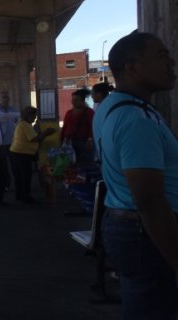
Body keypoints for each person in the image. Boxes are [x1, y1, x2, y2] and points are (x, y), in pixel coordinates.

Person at [93, 31, 178, 319]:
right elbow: (150, 201)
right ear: (132, 67)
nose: (172, 62)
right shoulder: (135, 119)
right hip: (146, 231)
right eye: (161, 55)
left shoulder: (109, 107)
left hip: (127, 224)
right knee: (155, 307)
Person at [9, 106, 56, 204]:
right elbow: (34, 139)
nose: (35, 118)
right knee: (25, 176)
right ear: (28, 115)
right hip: (22, 154)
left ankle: (20, 196)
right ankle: (26, 197)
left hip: (16, 153)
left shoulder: (22, 123)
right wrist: (46, 133)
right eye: (34, 116)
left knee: (19, 176)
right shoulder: (25, 125)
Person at [60, 88, 95, 165]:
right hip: (70, 142)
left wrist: (90, 140)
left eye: (76, 100)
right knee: (72, 164)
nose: (73, 102)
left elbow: (92, 127)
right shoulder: (69, 112)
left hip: (84, 142)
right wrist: (62, 139)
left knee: (86, 164)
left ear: (83, 101)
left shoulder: (89, 112)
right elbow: (65, 127)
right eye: (73, 99)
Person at [0, 91, 20, 190]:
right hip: (0, 143)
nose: (5, 99)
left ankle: (18, 184)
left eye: (7, 97)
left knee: (15, 164)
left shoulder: (14, 110)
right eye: (3, 98)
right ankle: (6, 184)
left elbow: (18, 123)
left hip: (13, 141)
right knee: (3, 166)